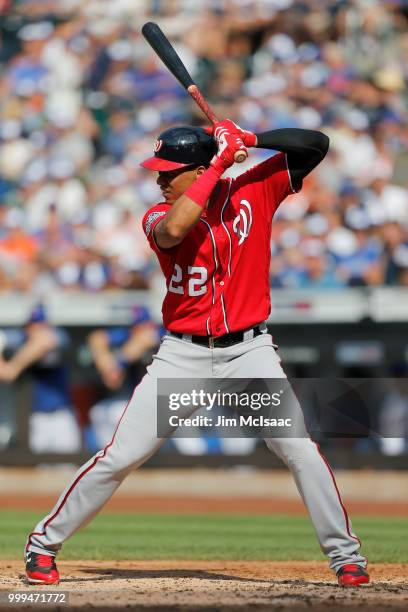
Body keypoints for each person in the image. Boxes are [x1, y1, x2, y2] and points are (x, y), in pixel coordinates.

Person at [25, 121, 369, 587]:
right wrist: (220, 164)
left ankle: (346, 557)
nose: (159, 180)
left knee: (299, 451)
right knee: (121, 455)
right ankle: (43, 544)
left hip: (249, 351)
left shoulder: (254, 189)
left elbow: (317, 144)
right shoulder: (155, 216)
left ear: (197, 167)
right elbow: (175, 229)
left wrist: (248, 139)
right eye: (159, 172)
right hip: (182, 357)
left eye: (170, 172)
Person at [0, 304, 81, 453]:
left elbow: (45, 340)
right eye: (34, 325)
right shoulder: (20, 341)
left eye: (42, 324)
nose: (37, 329)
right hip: (35, 417)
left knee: (68, 469)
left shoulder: (58, 336)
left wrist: (14, 367)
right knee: (38, 471)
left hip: (61, 416)